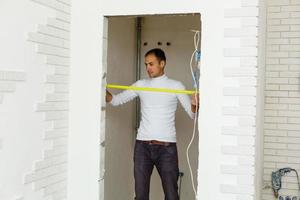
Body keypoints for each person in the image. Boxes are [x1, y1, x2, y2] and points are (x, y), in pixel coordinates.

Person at [106, 48, 199, 200]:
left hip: (167, 149)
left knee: (171, 195)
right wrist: (100, 88)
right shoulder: (141, 84)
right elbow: (116, 100)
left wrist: (195, 104)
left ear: (162, 63)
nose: (148, 68)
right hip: (142, 147)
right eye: (146, 64)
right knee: (141, 196)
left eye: (151, 64)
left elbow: (192, 114)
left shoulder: (176, 86)